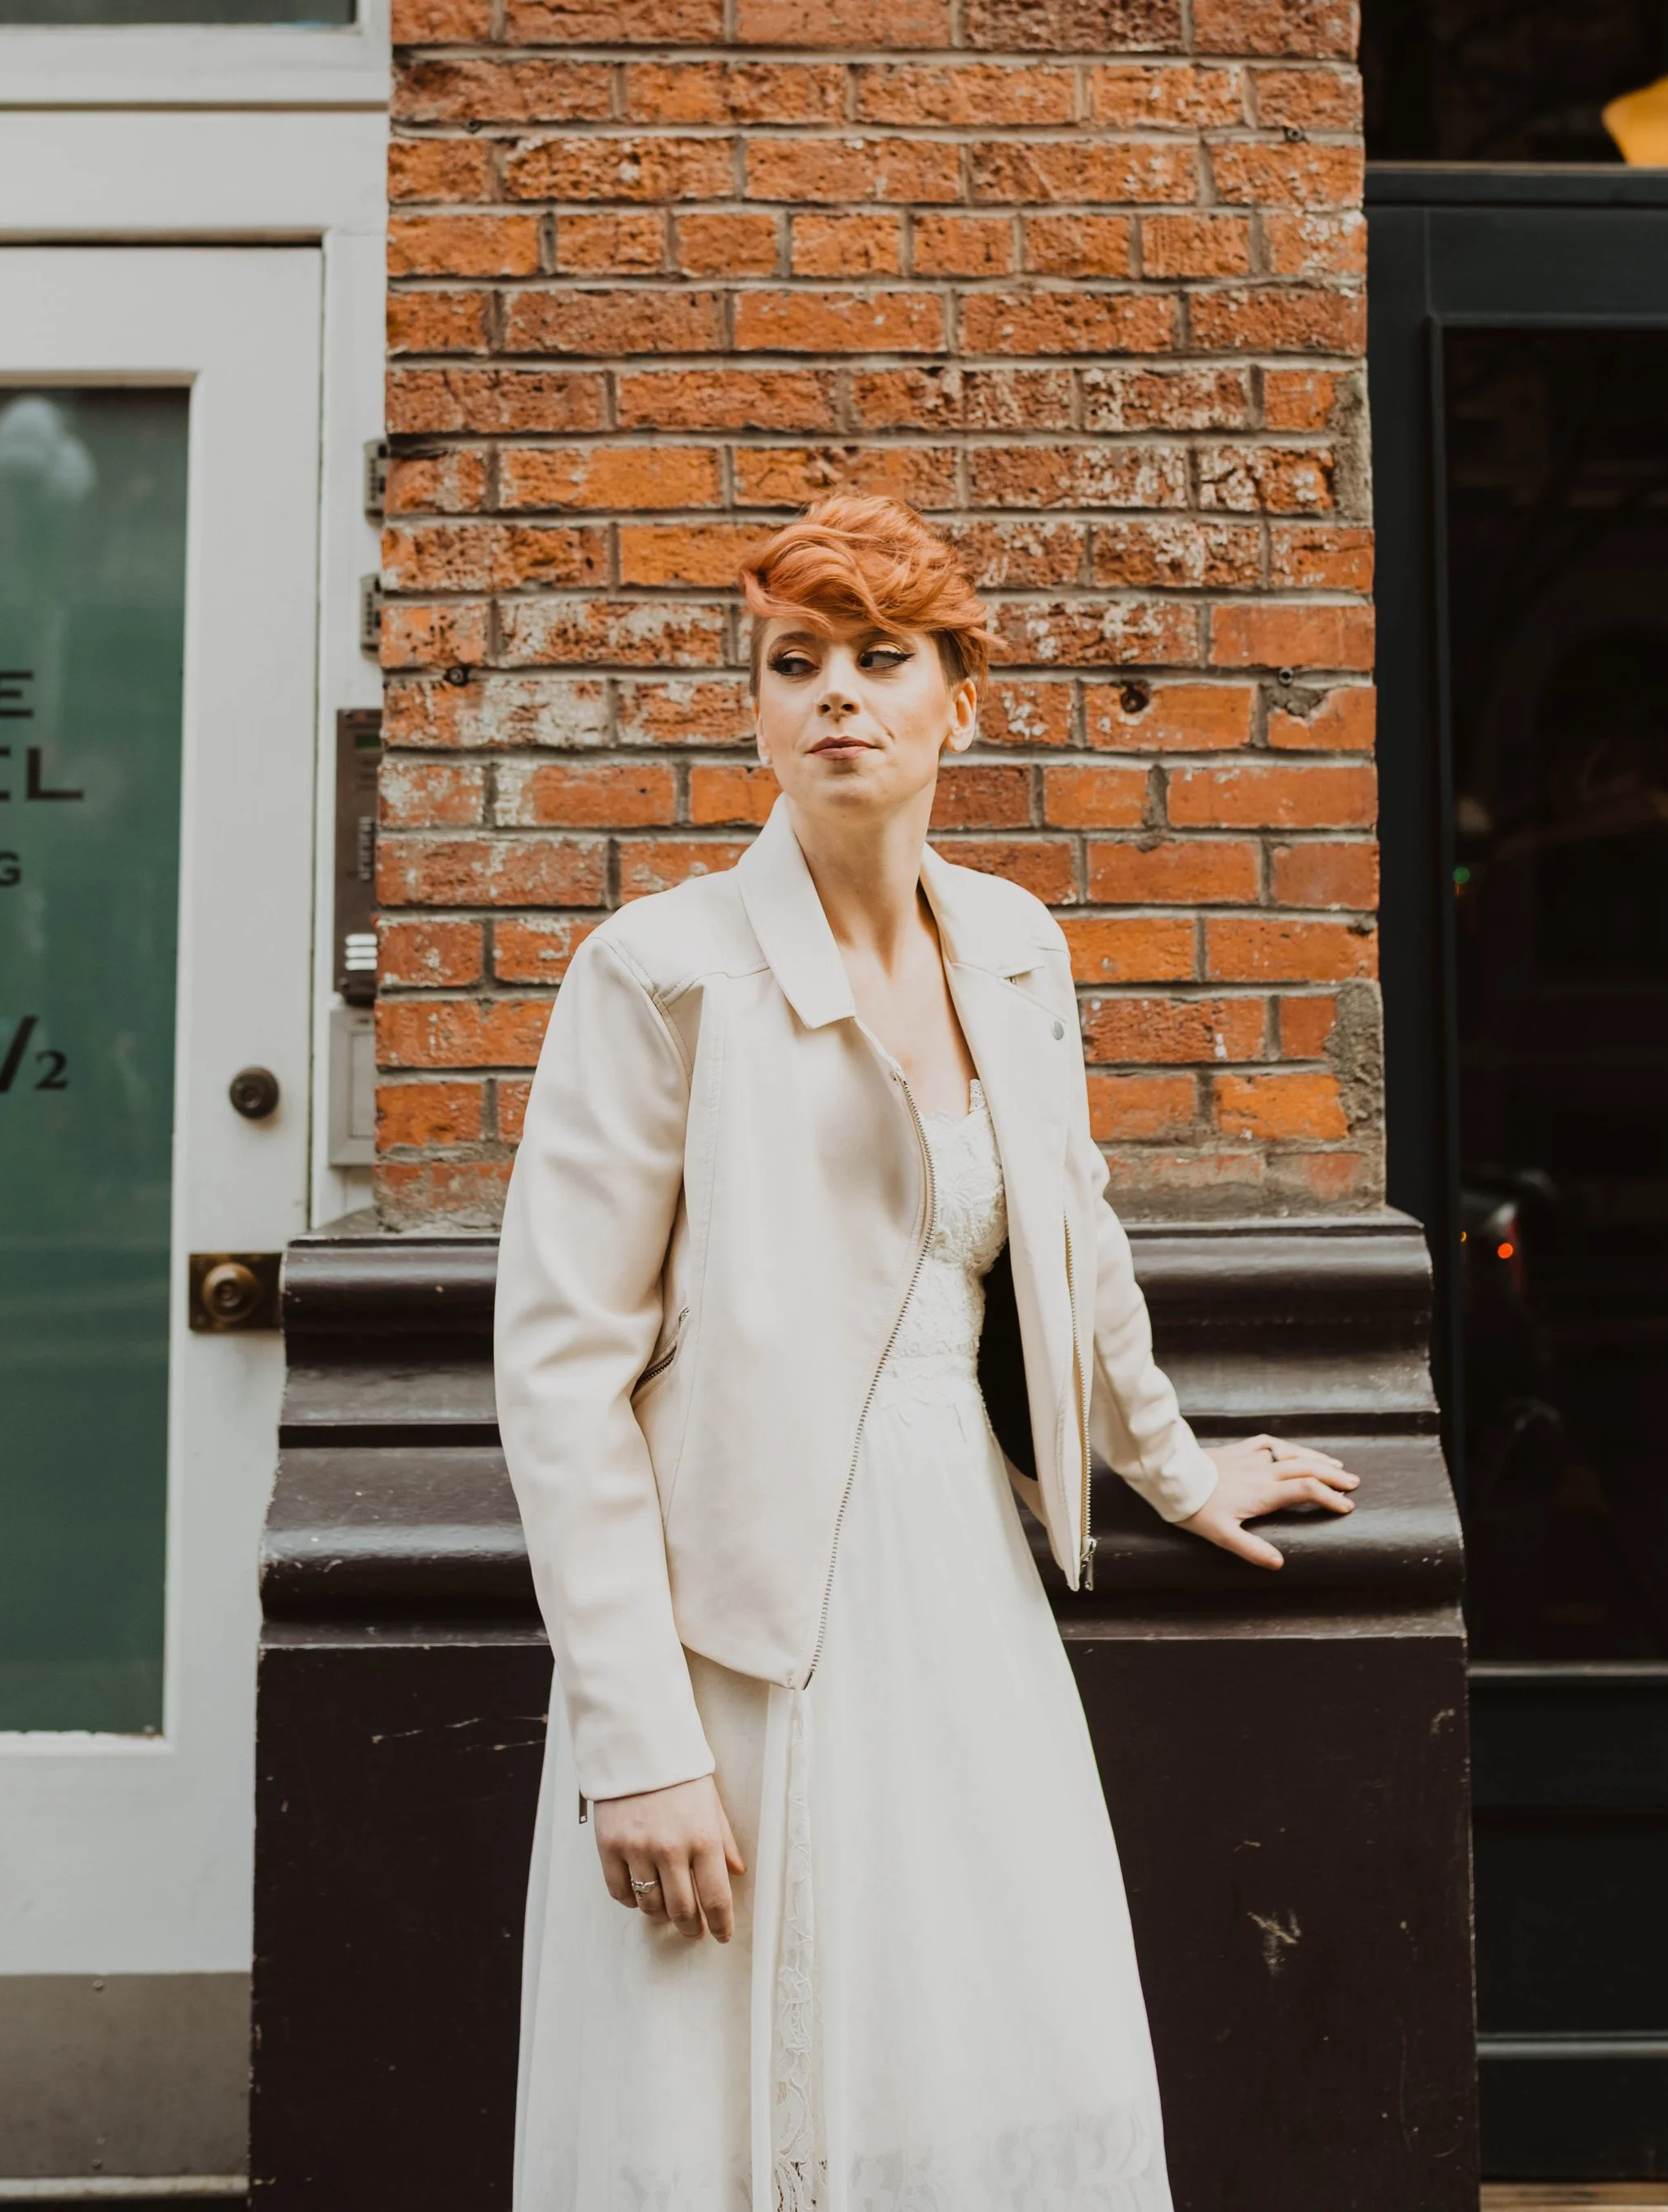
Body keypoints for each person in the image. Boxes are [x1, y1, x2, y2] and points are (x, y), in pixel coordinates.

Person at [494, 492, 1360, 2212]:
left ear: (959, 701)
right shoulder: (658, 974)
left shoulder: (1013, 948)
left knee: (986, 2026)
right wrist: (637, 1742)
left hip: (961, 1581)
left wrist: (1172, 1467)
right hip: (735, 1620)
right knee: (732, 2073)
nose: (835, 696)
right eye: (791, 662)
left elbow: (1072, 1242)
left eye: (879, 660)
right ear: (754, 709)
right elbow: (561, 1375)